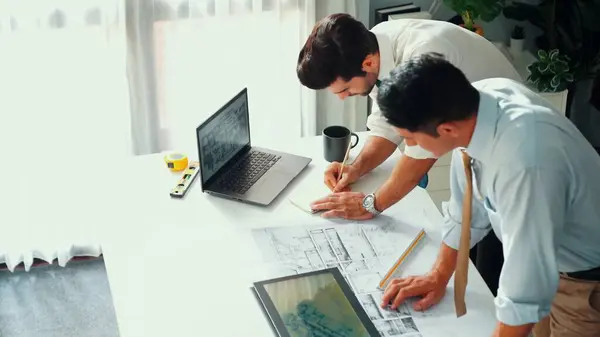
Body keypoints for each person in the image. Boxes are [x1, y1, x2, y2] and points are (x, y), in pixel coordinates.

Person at [377, 53, 600, 337]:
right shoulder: (477, 105)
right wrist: (438, 275)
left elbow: (526, 285)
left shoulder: (526, 161)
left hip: (586, 285)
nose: (409, 146)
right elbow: (467, 207)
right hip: (552, 265)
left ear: (446, 129)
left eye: (410, 138)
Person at [296, 13, 519, 297]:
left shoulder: (426, 55)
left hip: (510, 150)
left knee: (503, 273)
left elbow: (422, 151)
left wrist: (370, 204)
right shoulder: (374, 43)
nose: (342, 97)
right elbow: (387, 124)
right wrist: (357, 167)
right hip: (477, 149)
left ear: (368, 64)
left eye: (346, 89)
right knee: (479, 260)